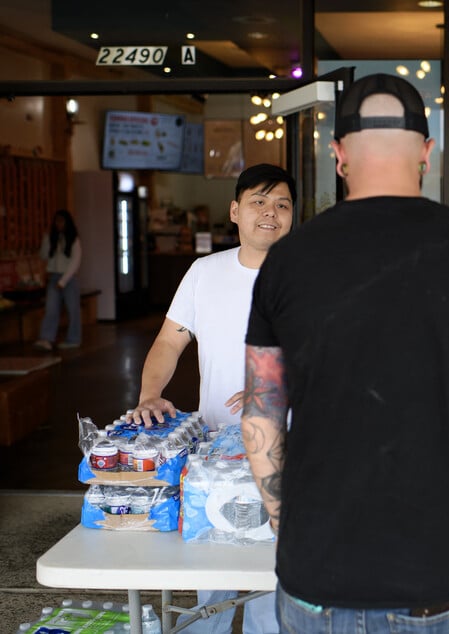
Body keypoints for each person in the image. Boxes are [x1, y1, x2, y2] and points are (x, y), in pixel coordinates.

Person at [240, 73, 449, 633]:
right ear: (427, 153)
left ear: (339, 155)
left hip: (313, 575)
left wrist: (293, 524)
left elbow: (260, 414)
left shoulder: (287, 261)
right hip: (426, 575)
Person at [128, 163, 296, 634]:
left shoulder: (309, 276)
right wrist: (149, 394)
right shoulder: (205, 272)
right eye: (259, 202)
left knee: (271, 581)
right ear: (235, 211)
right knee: (211, 580)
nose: (271, 212)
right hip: (215, 452)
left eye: (282, 204)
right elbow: (169, 342)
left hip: (285, 447)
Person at [35, 209, 82, 350]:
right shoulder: (51, 238)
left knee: (73, 310)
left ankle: (74, 339)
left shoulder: (74, 240)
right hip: (54, 276)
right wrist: (46, 240)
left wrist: (63, 281)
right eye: (56, 221)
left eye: (61, 221)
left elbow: (75, 261)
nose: (58, 224)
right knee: (51, 309)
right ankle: (46, 338)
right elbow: (43, 256)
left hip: (68, 278)